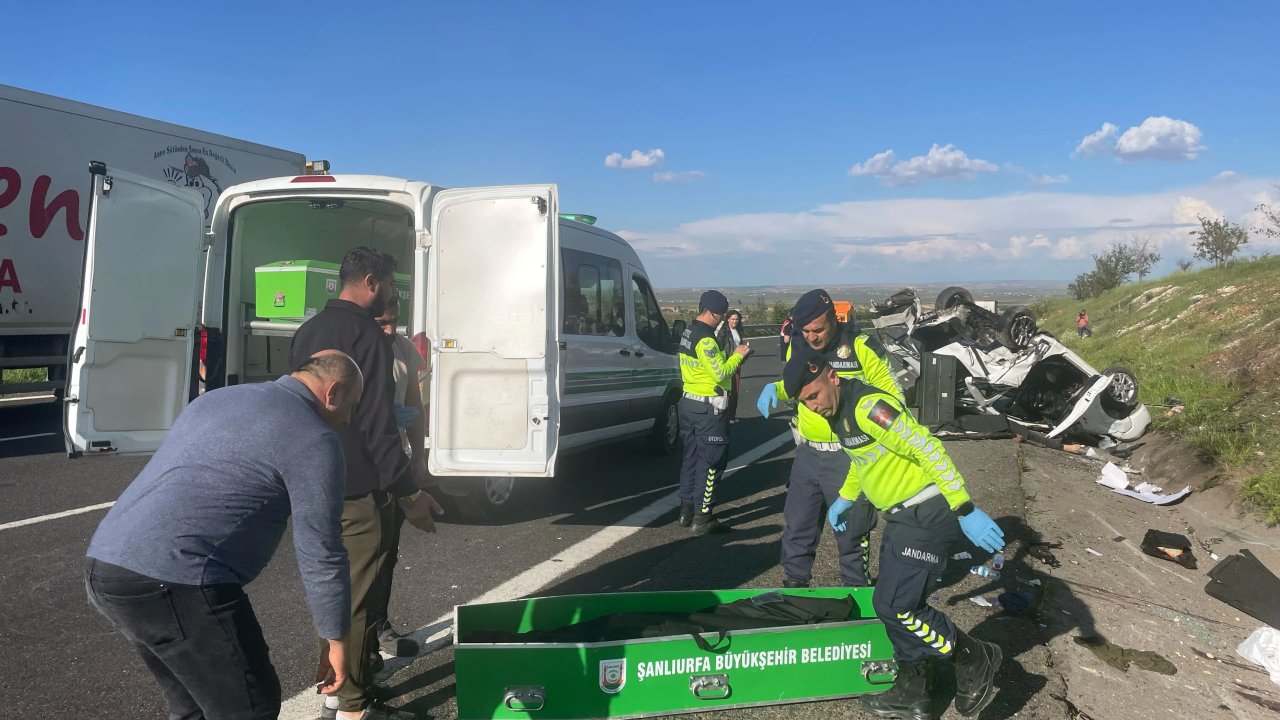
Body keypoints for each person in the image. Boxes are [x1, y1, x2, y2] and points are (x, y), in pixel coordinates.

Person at [85, 351, 363, 720]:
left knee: (193, 704)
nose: (349, 418)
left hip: (107, 564)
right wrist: (337, 638)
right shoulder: (314, 438)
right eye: (353, 405)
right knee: (250, 705)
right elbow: (321, 550)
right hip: (176, 578)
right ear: (334, 392)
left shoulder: (218, 398)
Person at [783, 344, 1004, 719]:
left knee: (900, 606)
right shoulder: (838, 413)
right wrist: (845, 499)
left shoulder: (869, 407)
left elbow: (928, 448)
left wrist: (965, 508)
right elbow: (862, 461)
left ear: (832, 376)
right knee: (887, 604)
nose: (813, 406)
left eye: (815, 395)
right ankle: (915, 688)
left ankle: (973, 658)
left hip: (928, 510)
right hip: (901, 517)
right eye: (804, 402)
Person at [290, 248, 437, 720]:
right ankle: (351, 704)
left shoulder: (308, 331)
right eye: (391, 287)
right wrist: (407, 489)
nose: (392, 296)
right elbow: (376, 426)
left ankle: (340, 686)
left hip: (315, 478)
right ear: (371, 282)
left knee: (333, 589)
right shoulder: (368, 338)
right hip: (359, 487)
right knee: (357, 595)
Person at [756, 289, 904, 589]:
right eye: (806, 331)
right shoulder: (797, 345)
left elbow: (894, 397)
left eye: (818, 329)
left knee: (852, 531)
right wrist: (777, 387)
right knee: (798, 525)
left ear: (832, 320)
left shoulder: (861, 347)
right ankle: (795, 589)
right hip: (808, 453)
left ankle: (857, 591)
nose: (812, 337)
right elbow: (796, 384)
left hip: (847, 454)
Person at [370, 293, 441, 659]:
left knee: (388, 551)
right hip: (362, 467)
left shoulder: (401, 349)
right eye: (382, 322)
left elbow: (413, 401)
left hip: (396, 460)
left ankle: (379, 626)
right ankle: (354, 641)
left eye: (393, 322)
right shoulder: (357, 348)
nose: (388, 329)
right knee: (361, 556)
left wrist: (417, 454)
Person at [677, 290, 750, 534]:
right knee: (712, 462)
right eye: (720, 315)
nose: (721, 320)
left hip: (689, 402)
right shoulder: (706, 339)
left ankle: (686, 511)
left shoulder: (687, 332)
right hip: (708, 408)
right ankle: (703, 517)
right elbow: (720, 373)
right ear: (711, 312)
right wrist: (738, 356)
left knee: (691, 457)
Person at [715, 309, 746, 422]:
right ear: (728, 319)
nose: (735, 321)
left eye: (737, 319)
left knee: (735, 391)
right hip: (727, 364)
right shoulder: (723, 332)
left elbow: (738, 345)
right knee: (726, 392)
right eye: (732, 319)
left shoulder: (738, 331)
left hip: (737, 364)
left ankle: (732, 416)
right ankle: (724, 416)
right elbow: (720, 348)